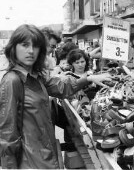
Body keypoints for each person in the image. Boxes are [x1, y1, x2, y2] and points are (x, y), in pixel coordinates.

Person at [0, 24, 112, 169]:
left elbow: (61, 86)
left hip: (46, 155)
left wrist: (88, 79)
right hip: (30, 162)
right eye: (25, 45)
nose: (30, 51)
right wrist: (10, 167)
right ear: (13, 47)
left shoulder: (37, 76)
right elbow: (7, 133)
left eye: (35, 46)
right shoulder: (12, 81)